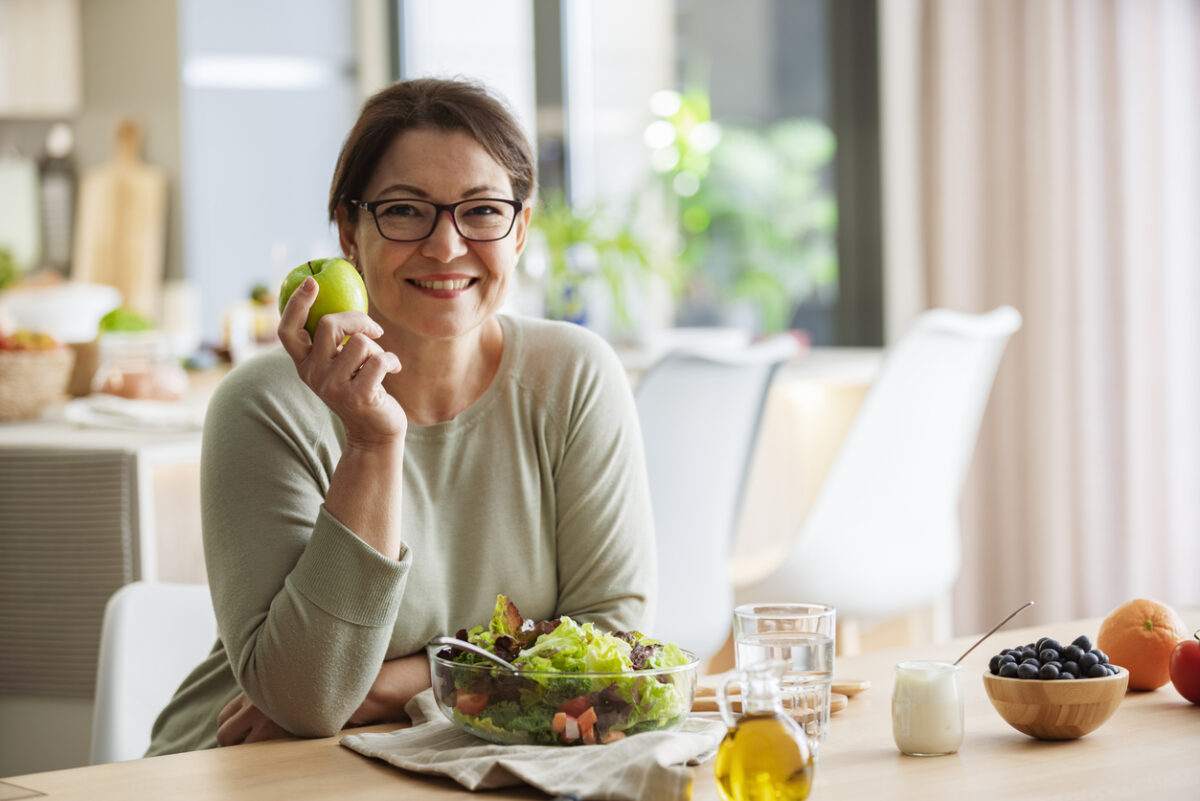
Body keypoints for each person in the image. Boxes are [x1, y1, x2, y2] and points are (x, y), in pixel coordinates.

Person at [146, 78, 656, 755]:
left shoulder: (574, 377)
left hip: (460, 756)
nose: (446, 246)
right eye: (406, 211)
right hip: (255, 766)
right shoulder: (264, 405)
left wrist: (394, 684)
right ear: (348, 231)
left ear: (521, 228)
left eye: (480, 211)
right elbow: (308, 702)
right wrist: (372, 442)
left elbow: (612, 643)